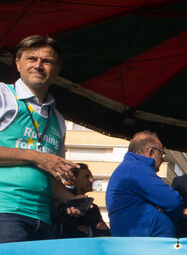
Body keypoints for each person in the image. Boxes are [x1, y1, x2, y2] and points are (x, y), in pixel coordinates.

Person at [0, 35, 83, 243]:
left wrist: (72, 200)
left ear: (57, 70)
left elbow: (49, 173)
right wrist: (38, 157)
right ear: (18, 64)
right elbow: (42, 161)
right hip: (5, 212)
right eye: (31, 59)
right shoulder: (3, 95)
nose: (38, 66)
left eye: (47, 61)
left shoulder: (58, 119)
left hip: (42, 220)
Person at [106, 131, 183, 237]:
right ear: (150, 152)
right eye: (161, 153)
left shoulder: (131, 168)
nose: (162, 158)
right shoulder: (136, 168)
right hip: (144, 245)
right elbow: (174, 202)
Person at [54, 163, 111, 238]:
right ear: (72, 179)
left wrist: (88, 230)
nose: (91, 180)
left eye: (91, 177)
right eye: (86, 177)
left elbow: (105, 232)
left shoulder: (93, 208)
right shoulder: (61, 203)